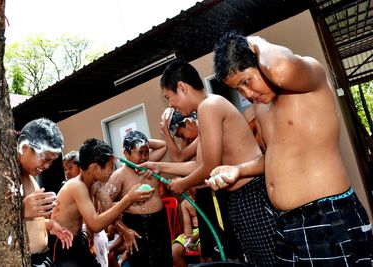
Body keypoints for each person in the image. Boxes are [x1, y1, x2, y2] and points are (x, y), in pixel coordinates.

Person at [211, 31, 373, 265]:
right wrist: (238, 170)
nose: (247, 94)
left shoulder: (309, 76)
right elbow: (272, 158)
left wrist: (257, 42)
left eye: (246, 81)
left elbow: (280, 69)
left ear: (260, 60)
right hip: (286, 224)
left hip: (328, 217)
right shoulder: (261, 107)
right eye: (239, 89)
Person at [154, 59, 277, 265]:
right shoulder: (208, 107)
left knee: (266, 261)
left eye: (169, 97)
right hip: (241, 196)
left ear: (182, 87)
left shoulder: (209, 106)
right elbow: (198, 164)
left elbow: (209, 167)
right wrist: (157, 166)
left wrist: (182, 184)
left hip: (250, 194)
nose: (171, 105)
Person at [51, 138, 153, 267]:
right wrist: (129, 198)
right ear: (94, 168)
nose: (112, 172)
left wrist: (125, 230)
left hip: (77, 240)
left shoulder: (95, 184)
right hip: (62, 244)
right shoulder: (77, 186)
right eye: (110, 167)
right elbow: (95, 224)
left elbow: (107, 209)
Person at [97, 130, 173, 267]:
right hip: (137, 226)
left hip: (160, 222)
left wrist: (140, 140)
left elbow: (163, 145)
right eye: (140, 152)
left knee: (165, 261)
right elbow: (104, 205)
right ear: (125, 153)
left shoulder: (150, 165)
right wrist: (123, 230)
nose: (144, 157)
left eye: (146, 152)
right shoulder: (119, 175)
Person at [18, 118, 73, 266]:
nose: (47, 167)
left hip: (43, 257)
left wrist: (49, 225)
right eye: (44, 159)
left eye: (51, 162)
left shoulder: (29, 176)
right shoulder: (8, 177)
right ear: (24, 148)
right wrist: (22, 210)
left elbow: (29, 221)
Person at [172, 189, 201, 267]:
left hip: (205, 231)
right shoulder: (185, 203)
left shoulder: (206, 199)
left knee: (202, 247)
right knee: (174, 251)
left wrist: (195, 237)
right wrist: (188, 238)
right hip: (193, 232)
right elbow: (187, 225)